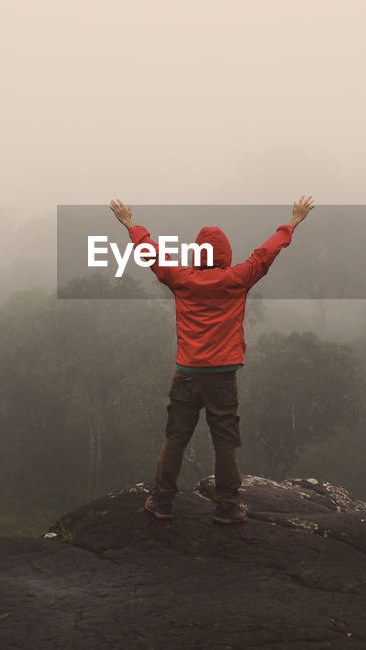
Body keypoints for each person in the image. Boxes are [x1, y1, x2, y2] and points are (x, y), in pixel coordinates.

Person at [108, 196, 316, 525]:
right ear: (226, 254)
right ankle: (228, 506)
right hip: (222, 377)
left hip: (187, 375)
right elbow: (266, 253)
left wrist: (130, 224)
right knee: (224, 444)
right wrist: (292, 221)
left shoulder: (181, 278)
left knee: (175, 438)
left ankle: (162, 501)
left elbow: (150, 252)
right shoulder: (238, 278)